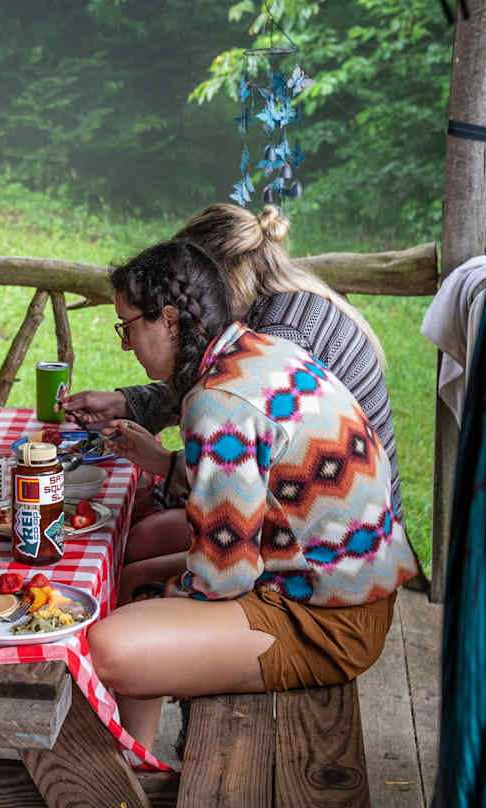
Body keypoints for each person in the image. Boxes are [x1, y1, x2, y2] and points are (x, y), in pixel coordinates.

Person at [86, 240, 417, 750]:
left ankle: (135, 747)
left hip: (329, 621)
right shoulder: (255, 350)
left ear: (169, 320)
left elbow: (224, 575)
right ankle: (134, 761)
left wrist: (165, 603)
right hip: (340, 583)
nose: (125, 345)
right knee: (132, 580)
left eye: (126, 327)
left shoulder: (217, 401)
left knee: (107, 645)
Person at [63, 204, 422, 586]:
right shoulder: (262, 324)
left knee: (142, 555)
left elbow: (233, 449)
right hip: (343, 534)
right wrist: (127, 403)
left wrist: (166, 469)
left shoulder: (281, 334)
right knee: (141, 542)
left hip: (327, 555)